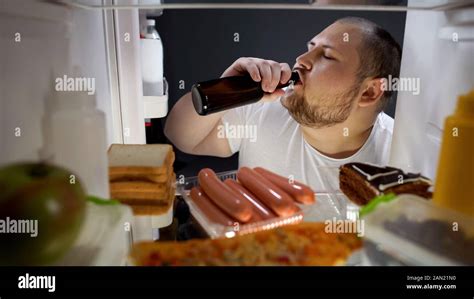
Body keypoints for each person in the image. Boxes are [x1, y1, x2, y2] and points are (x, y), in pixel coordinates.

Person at [165, 17, 402, 191]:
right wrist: (224, 89)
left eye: (327, 56)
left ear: (369, 92)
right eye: (310, 49)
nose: (301, 61)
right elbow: (179, 135)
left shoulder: (400, 157)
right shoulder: (262, 107)